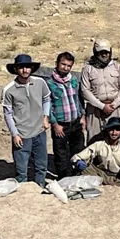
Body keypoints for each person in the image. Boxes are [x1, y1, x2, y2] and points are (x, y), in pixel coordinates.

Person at [1, 54, 52, 188]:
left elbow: (46, 99)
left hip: (39, 132)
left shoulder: (40, 83)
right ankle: (22, 195)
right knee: (21, 171)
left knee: (41, 166)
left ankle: (39, 189)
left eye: (27, 67)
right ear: (16, 69)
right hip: (22, 135)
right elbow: (8, 114)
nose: (25, 70)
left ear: (32, 68)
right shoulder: (8, 90)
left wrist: (45, 117)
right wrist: (14, 134)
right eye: (21, 67)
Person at [80, 39, 120, 142]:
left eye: (106, 52)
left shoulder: (118, 67)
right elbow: (85, 90)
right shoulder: (87, 69)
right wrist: (102, 106)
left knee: (118, 139)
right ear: (95, 52)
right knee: (95, 139)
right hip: (95, 110)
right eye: (101, 52)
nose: (104, 55)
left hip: (115, 108)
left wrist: (114, 105)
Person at [47, 51, 85, 179]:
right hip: (60, 124)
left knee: (78, 151)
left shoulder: (73, 80)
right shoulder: (49, 83)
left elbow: (79, 99)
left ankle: (77, 176)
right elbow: (47, 105)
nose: (66, 68)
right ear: (57, 63)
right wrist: (55, 124)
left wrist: (82, 116)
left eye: (69, 66)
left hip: (76, 121)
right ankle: (64, 178)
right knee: (61, 153)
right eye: (63, 64)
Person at [71, 117, 120, 185]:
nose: (114, 133)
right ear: (107, 130)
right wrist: (79, 162)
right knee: (86, 169)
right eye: (111, 130)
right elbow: (76, 157)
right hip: (103, 175)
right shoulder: (99, 144)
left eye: (117, 130)